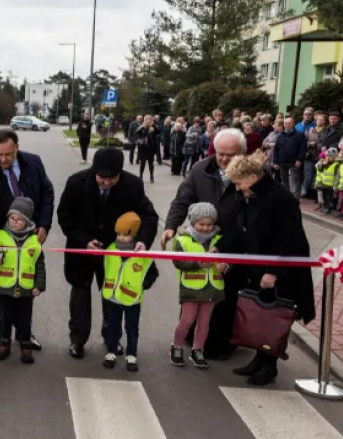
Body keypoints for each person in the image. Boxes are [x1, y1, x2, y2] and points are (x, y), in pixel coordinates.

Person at [222, 151, 315, 385]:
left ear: (252, 177)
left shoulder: (280, 198)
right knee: (260, 312)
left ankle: (269, 364)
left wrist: (273, 271)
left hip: (279, 268)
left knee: (273, 314)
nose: (237, 187)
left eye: (238, 182)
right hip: (257, 264)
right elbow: (241, 229)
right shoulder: (250, 196)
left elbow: (287, 238)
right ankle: (259, 358)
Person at [57, 147, 158, 359]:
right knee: (80, 296)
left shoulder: (133, 185)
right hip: (82, 251)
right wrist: (84, 241)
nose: (106, 182)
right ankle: (77, 339)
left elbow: (149, 217)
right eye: (102, 177)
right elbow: (65, 216)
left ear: (120, 173)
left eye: (112, 178)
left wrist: (142, 241)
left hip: (115, 253)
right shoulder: (76, 183)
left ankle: (111, 337)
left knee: (112, 297)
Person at [161, 128, 247, 359]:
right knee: (196, 289)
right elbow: (182, 199)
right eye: (221, 153)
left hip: (232, 244)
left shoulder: (249, 172)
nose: (225, 159)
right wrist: (171, 226)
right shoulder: (201, 169)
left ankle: (219, 344)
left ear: (242, 152)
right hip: (201, 242)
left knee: (224, 296)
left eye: (231, 154)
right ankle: (190, 338)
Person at [0, 129, 54, 352]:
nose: (3, 159)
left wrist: (44, 224)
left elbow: (47, 192)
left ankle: (24, 333)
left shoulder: (34, 163)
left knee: (25, 288)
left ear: (17, 147)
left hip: (28, 241)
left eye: (8, 153)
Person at [0, 197, 46, 364]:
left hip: (26, 288)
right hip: (4, 287)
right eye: (12, 218)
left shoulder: (34, 241)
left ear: (27, 222)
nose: (14, 222)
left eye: (19, 220)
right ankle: (4, 345)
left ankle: (26, 347)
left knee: (25, 319)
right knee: (5, 318)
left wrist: (39, 285)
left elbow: (40, 264)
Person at [170, 202, 226, 369]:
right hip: (191, 287)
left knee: (204, 322)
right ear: (193, 222)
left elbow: (227, 258)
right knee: (186, 320)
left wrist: (225, 266)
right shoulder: (183, 240)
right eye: (201, 224)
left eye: (209, 224)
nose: (205, 228)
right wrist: (198, 264)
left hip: (212, 287)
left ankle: (198, 349)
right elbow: (179, 262)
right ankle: (177, 346)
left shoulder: (219, 240)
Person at [99, 212, 157, 371]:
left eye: (125, 235)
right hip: (112, 297)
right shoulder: (111, 249)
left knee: (132, 328)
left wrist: (143, 285)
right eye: (118, 234)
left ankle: (131, 355)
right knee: (112, 326)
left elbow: (152, 273)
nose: (121, 238)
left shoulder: (142, 255)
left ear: (134, 235)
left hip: (132, 299)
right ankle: (110, 352)